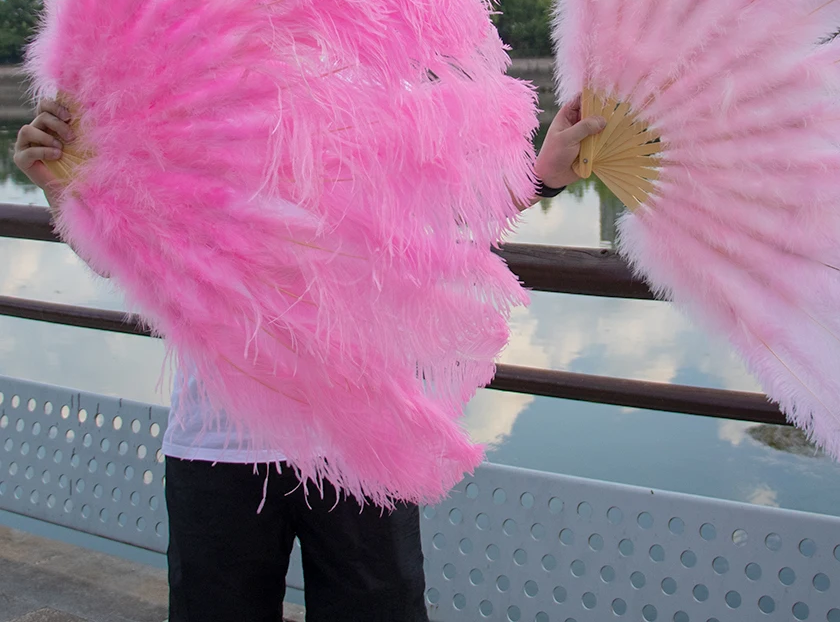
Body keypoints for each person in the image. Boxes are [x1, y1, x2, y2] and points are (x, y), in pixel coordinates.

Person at [14, 94, 605, 622]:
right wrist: (59, 183)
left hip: (363, 443)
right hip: (219, 447)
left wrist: (541, 174)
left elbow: (448, 215)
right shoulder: (178, 101)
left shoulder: (373, 82)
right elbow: (121, 254)